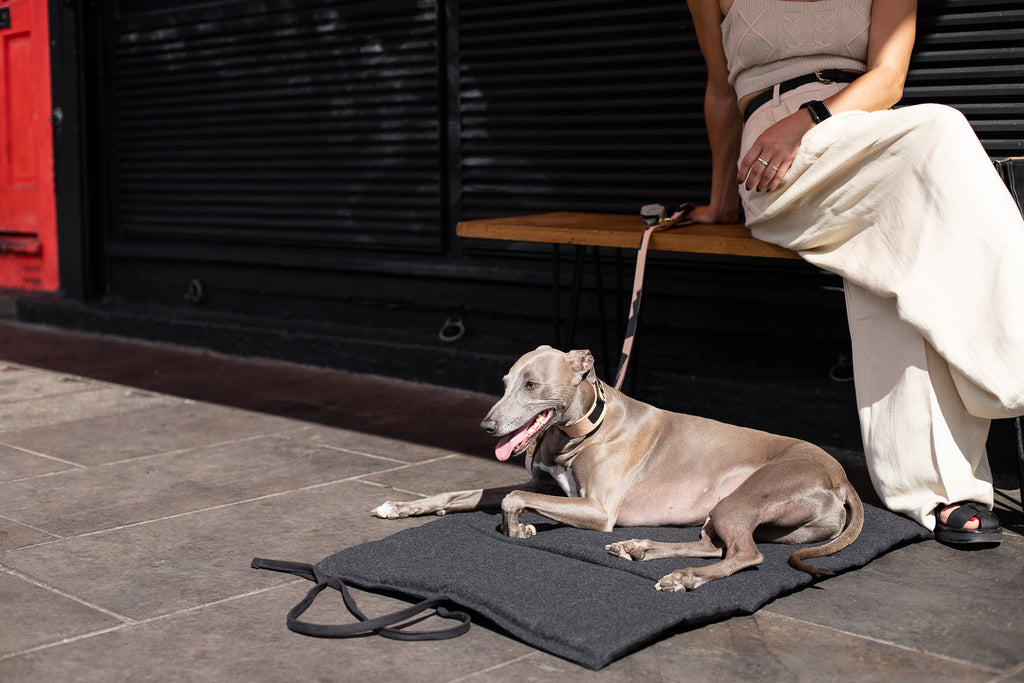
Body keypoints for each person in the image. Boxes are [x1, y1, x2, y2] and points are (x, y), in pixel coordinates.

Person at [681, 0, 1024, 545]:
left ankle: (938, 491)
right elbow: (721, 93)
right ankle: (1011, 372)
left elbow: (888, 78)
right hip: (774, 161)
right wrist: (722, 200)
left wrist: (810, 117)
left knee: (898, 261)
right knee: (939, 126)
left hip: (861, 134)